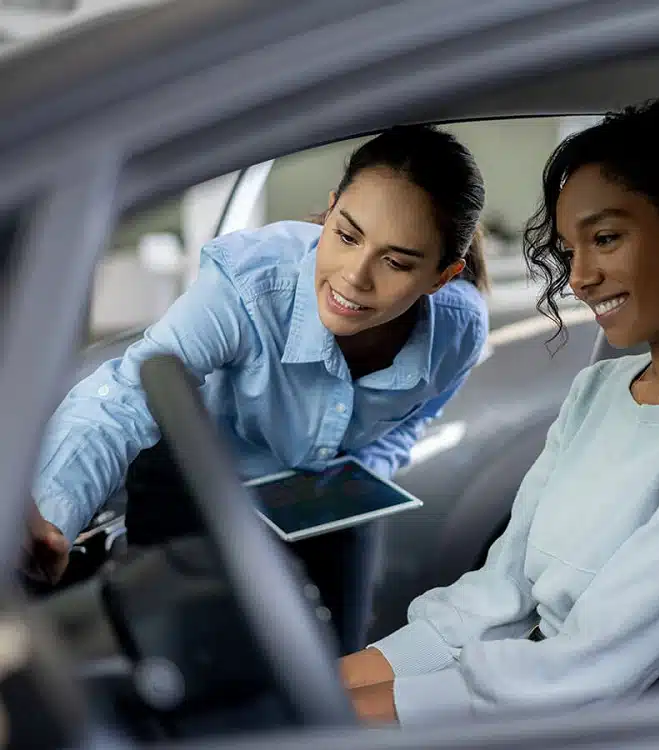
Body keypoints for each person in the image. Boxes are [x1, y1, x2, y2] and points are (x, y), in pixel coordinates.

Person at [338, 100, 659, 725]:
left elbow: (590, 672)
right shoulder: (599, 390)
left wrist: (375, 710)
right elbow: (498, 589)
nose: (579, 278)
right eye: (569, 249)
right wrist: (354, 675)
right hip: (527, 694)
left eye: (606, 238)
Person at [24, 125, 490, 624]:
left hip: (327, 501)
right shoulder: (245, 288)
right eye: (347, 236)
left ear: (443, 276)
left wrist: (365, 472)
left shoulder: (460, 329)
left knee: (333, 669)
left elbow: (415, 419)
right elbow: (121, 398)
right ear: (330, 211)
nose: (355, 275)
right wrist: (50, 518)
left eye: (395, 262)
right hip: (195, 484)